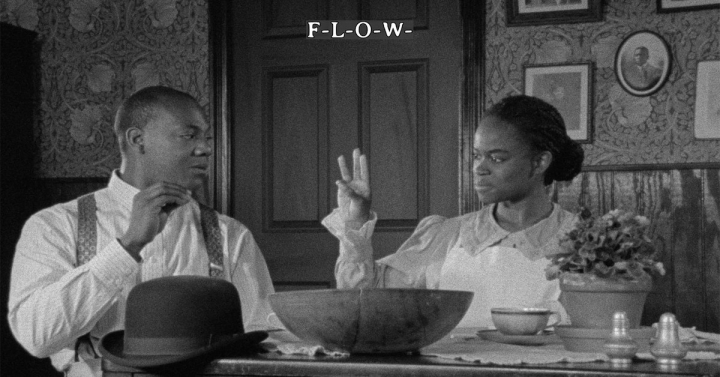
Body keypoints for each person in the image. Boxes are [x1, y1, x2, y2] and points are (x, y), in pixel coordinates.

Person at [7, 86, 275, 376]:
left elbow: (266, 340)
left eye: (206, 137)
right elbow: (37, 338)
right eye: (189, 135)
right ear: (137, 139)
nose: (206, 148)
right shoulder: (56, 225)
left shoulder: (229, 235)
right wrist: (127, 246)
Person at [322, 94, 584, 329]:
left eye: (496, 158)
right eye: (477, 155)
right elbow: (365, 299)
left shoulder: (585, 243)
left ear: (540, 162)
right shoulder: (448, 236)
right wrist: (356, 219)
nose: (479, 168)